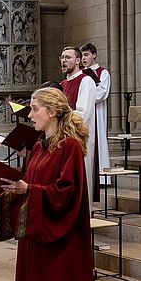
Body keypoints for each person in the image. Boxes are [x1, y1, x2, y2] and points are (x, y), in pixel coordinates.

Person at [0, 87, 104, 281]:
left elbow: (67, 193)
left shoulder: (68, 146)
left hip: (61, 241)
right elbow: (32, 183)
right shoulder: (39, 147)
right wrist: (16, 185)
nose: (29, 115)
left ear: (54, 111)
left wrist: (29, 190)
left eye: (34, 109)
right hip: (39, 237)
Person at [59, 46, 97, 200]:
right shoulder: (62, 84)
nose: (63, 61)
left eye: (67, 57)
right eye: (62, 57)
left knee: (81, 181)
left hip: (80, 138)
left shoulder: (86, 81)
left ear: (78, 60)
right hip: (63, 139)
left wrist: (57, 116)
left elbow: (83, 113)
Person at [81, 43, 111, 184]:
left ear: (94, 54)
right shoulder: (80, 74)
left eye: (86, 55)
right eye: (81, 56)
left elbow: (102, 93)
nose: (83, 58)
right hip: (84, 113)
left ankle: (102, 179)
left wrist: (86, 94)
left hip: (97, 113)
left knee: (98, 142)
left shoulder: (102, 73)